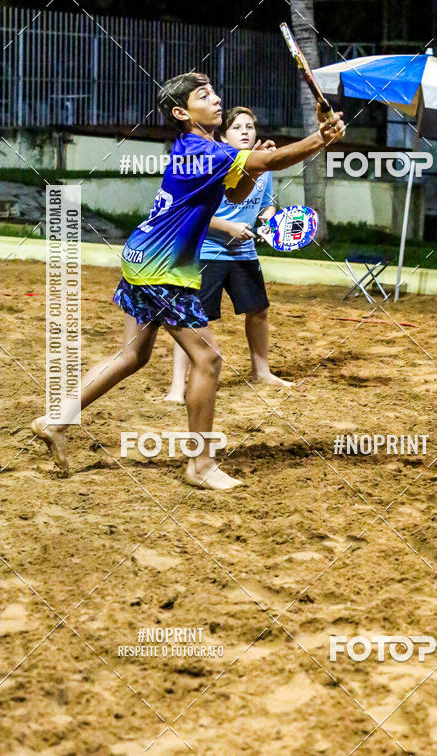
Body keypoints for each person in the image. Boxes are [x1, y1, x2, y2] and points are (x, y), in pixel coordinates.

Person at [31, 72, 345, 491]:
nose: (216, 100)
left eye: (215, 92)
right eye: (204, 95)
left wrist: (258, 164)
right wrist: (320, 139)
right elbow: (270, 163)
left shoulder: (205, 150)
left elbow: (235, 194)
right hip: (163, 268)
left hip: (142, 256)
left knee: (132, 356)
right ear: (182, 112)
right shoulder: (203, 150)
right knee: (208, 360)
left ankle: (56, 418)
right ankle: (200, 465)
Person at [165, 106, 290, 404]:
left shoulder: (262, 167)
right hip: (207, 253)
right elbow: (193, 214)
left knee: (258, 312)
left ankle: (262, 372)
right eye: (237, 127)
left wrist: (270, 222)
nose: (245, 131)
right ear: (223, 136)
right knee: (191, 321)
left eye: (249, 126)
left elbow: (265, 206)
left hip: (244, 254)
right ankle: (176, 388)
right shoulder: (214, 164)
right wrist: (230, 227)